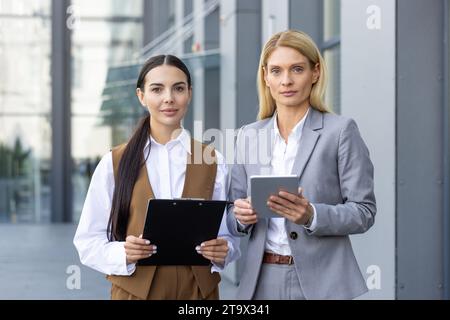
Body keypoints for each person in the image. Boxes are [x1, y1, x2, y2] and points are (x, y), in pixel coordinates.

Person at [74, 54, 239, 300]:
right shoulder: (114, 162)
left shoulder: (214, 160)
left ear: (189, 94)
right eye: (157, 89)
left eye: (178, 88)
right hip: (134, 293)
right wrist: (124, 253)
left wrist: (224, 250)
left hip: (198, 295)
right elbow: (88, 241)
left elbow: (228, 235)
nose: (168, 98)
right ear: (141, 96)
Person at [227, 30, 376, 300]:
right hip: (261, 281)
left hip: (322, 282)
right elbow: (231, 210)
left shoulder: (340, 131)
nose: (286, 81)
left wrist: (311, 216)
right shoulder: (248, 135)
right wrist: (239, 217)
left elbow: (364, 211)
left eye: (297, 69)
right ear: (265, 76)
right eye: (276, 71)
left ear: (315, 72)